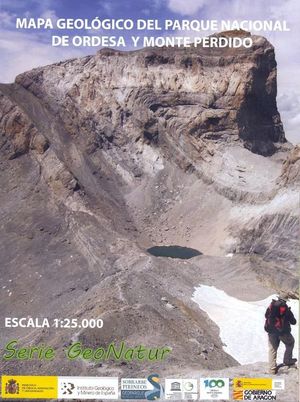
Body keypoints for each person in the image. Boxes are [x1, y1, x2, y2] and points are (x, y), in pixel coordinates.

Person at [264, 295, 297, 374]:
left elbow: (266, 316)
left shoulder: (271, 305)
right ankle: (287, 360)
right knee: (290, 343)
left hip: (271, 332)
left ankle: (272, 369)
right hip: (283, 332)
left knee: (272, 349)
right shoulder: (285, 309)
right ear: (285, 301)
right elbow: (294, 322)